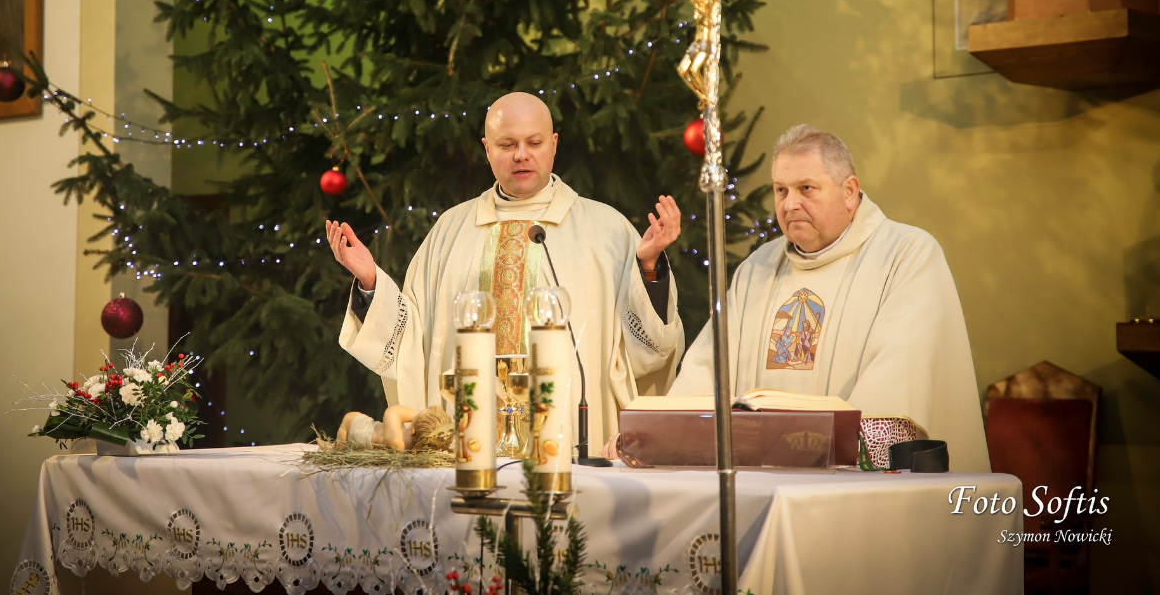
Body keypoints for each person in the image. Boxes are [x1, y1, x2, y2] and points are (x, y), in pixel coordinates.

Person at [327, 92, 685, 444]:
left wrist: (648, 267)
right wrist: (371, 283)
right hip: (467, 442)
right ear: (487, 149)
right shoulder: (451, 230)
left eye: (534, 142)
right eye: (507, 144)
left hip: (568, 440)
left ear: (554, 144)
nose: (521, 155)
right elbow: (412, 338)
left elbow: (647, 348)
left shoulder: (606, 230)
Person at [670, 125, 990, 472]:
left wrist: (832, 452)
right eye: (781, 190)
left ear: (849, 191)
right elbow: (707, 367)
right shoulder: (757, 268)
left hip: (850, 481)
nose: (790, 204)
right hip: (756, 476)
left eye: (806, 188)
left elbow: (899, 377)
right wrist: (671, 433)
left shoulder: (906, 255)